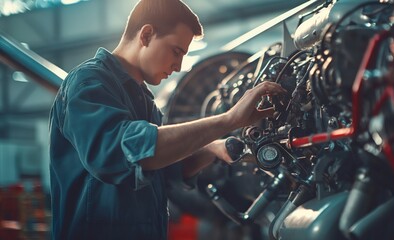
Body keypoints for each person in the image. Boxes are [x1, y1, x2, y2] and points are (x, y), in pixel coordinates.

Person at [48, 0, 285, 239]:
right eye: (176, 51)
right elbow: (119, 154)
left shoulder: (144, 101)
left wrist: (211, 149)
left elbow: (161, 168)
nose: (179, 65)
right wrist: (228, 120)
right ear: (147, 34)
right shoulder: (88, 82)